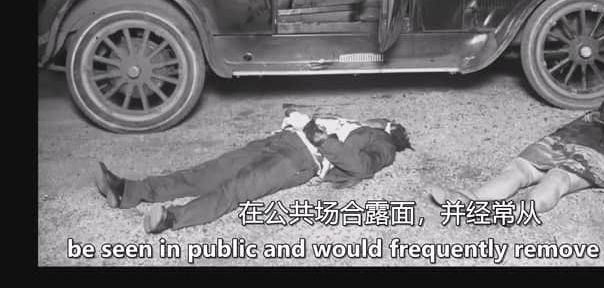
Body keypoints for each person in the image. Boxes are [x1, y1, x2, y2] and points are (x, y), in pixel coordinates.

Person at [93, 111, 412, 234]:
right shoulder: (354, 123)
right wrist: (298, 118)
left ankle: (172, 218)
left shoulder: (383, 143)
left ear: (390, 127)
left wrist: (318, 136)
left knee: (236, 189)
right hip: (280, 142)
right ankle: (128, 191)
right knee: (205, 174)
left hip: (300, 159)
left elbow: (361, 167)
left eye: (384, 119)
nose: (376, 117)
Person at [430, 105, 604, 214]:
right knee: (520, 168)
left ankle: (518, 211)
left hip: (598, 156)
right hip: (563, 142)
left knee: (559, 177)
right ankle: (472, 199)